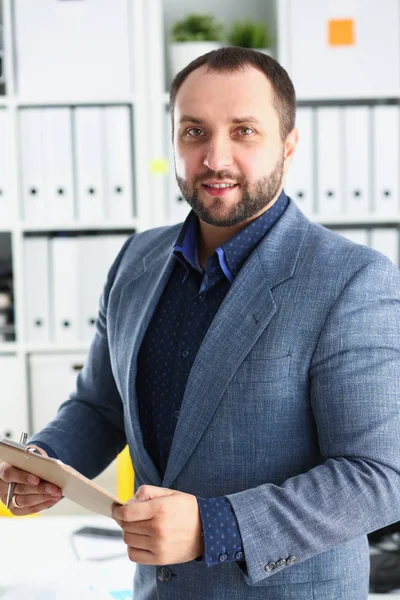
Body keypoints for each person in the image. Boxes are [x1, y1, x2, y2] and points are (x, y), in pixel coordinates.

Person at [1, 47, 400, 600]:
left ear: (288, 144)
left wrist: (217, 526)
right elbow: (100, 405)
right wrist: (45, 461)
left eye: (244, 131)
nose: (215, 158)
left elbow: (378, 477)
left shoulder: (352, 280)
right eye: (194, 131)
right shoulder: (136, 262)